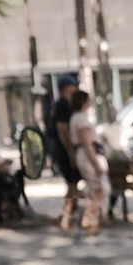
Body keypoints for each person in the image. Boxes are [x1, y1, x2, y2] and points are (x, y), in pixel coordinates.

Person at [61, 90, 108, 233]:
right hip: (87, 155)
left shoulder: (76, 118)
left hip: (82, 154)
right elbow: (87, 143)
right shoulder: (81, 119)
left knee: (94, 189)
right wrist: (96, 163)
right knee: (99, 189)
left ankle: (88, 217)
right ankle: (88, 218)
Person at [49, 77, 83, 221]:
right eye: (73, 87)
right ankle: (67, 214)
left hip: (66, 149)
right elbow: (62, 129)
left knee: (74, 183)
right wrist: (70, 152)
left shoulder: (65, 104)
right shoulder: (62, 104)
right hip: (64, 150)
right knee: (71, 184)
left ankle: (71, 211)